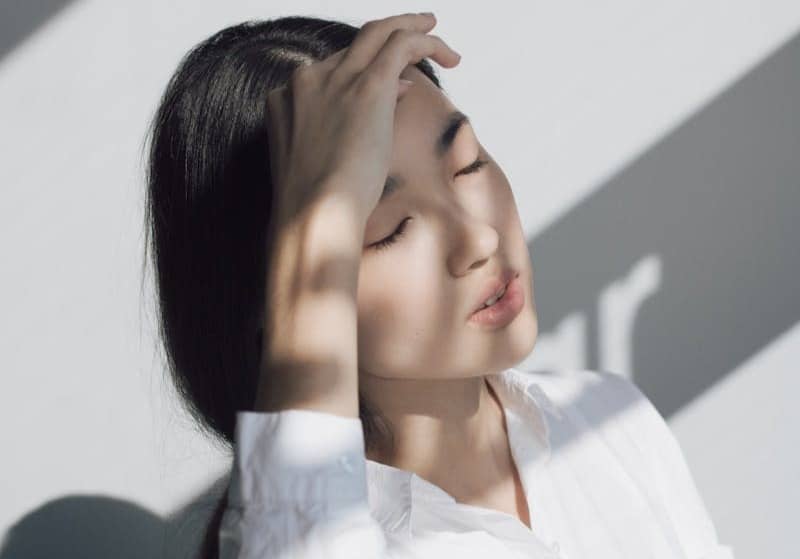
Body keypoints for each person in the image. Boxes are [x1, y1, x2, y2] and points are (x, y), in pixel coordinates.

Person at [143, 12, 735, 559]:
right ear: (277, 297)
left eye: (469, 163)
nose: (478, 238)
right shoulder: (329, 534)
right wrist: (320, 218)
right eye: (388, 229)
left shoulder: (613, 421)